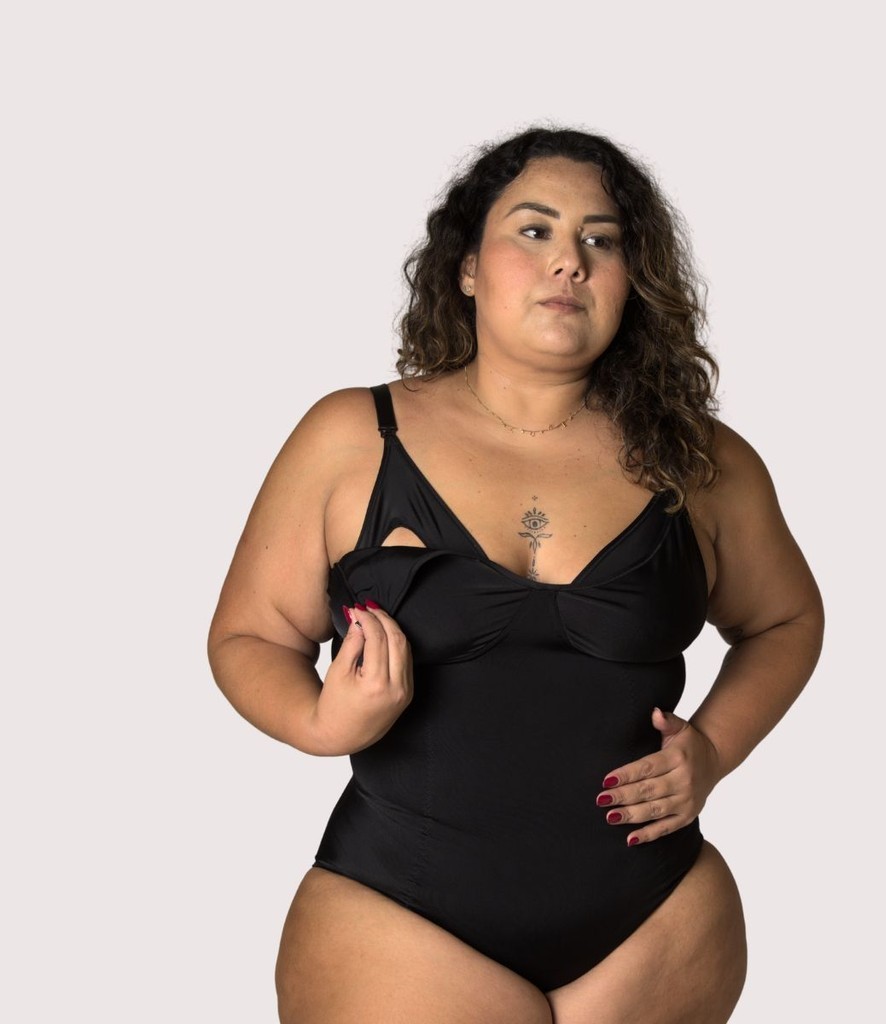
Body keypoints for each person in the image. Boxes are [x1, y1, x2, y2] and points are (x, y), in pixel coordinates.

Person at [208, 126, 824, 1024]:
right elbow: (248, 635)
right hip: (398, 919)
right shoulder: (352, 437)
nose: (569, 261)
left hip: (656, 927)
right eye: (535, 231)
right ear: (465, 267)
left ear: (632, 280)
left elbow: (786, 620)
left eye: (601, 240)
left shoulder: (701, 461)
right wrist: (316, 720)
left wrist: (715, 750)